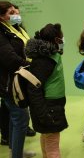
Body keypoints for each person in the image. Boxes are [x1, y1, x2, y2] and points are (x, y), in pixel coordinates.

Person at [25, 23, 68, 158]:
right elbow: (33, 88)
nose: (63, 39)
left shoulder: (50, 55)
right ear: (56, 40)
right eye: (61, 37)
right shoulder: (45, 60)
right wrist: (43, 114)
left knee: (47, 137)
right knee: (52, 144)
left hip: (51, 105)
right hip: (49, 107)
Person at [0, 1, 35, 158]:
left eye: (15, 11)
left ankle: (15, 152)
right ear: (1, 16)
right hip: (8, 82)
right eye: (11, 12)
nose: (15, 14)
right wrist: (31, 65)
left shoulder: (14, 28)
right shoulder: (1, 32)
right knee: (21, 116)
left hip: (18, 79)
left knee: (16, 116)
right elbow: (9, 58)